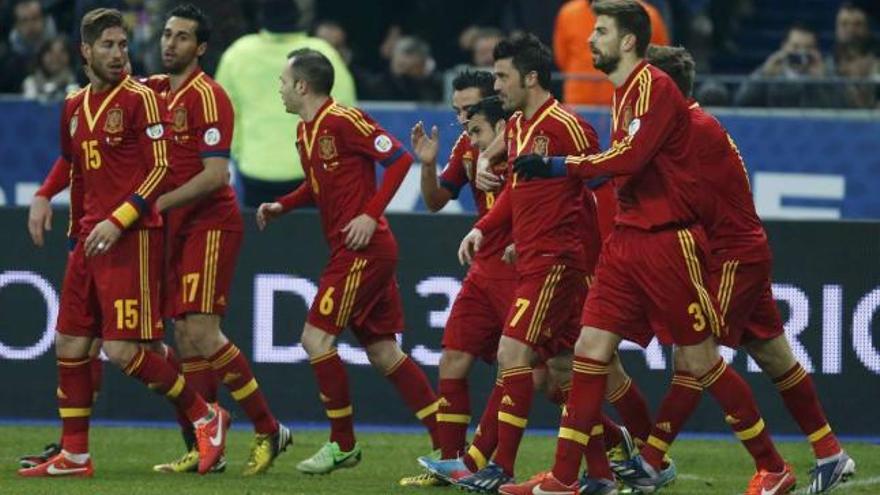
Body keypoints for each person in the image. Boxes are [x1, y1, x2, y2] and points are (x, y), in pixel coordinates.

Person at [502, 2, 794, 494]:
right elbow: (618, 163)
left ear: (629, 41)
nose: (590, 40)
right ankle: (563, 479)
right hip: (628, 241)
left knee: (700, 361)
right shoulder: (624, 94)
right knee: (589, 353)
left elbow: (630, 158)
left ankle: (772, 465)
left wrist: (558, 165)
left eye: (601, 32)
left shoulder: (655, 87)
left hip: (665, 243)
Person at [626, 43, 856, 495]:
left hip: (730, 255)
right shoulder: (689, 124)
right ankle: (831, 452)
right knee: (774, 356)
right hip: (739, 251)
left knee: (694, 355)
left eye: (645, 84)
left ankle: (654, 461)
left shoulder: (688, 129)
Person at [18, 8, 228, 478]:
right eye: (109, 46)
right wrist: (43, 195)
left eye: (123, 45)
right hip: (88, 237)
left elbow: (158, 170)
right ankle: (75, 455)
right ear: (86, 52)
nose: (119, 55)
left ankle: (205, 416)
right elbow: (71, 162)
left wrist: (120, 219)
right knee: (71, 343)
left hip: (131, 236)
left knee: (123, 350)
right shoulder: (73, 106)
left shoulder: (141, 99)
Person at [428, 33, 604, 492]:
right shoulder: (521, 125)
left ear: (530, 77)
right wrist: (483, 228)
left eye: (503, 76)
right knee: (563, 370)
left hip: (556, 260)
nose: (496, 84)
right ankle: (605, 468)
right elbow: (517, 193)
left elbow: (597, 172)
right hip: (531, 257)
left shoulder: (565, 124)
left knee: (515, 355)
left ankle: (499, 466)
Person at [257, 48, 441, 475]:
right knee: (382, 352)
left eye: (284, 82)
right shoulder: (305, 133)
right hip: (351, 249)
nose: (280, 90)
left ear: (302, 85)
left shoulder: (344, 119)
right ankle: (447, 446)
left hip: (365, 249)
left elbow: (397, 160)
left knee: (315, 339)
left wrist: (369, 214)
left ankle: (342, 443)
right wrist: (283, 205)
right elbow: (318, 186)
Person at [141, 4, 291, 475]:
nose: (170, 43)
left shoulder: (210, 97)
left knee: (203, 330)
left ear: (200, 48)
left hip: (209, 222)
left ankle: (269, 428)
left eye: (182, 37)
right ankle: (206, 444)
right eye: (167, 34)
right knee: (184, 337)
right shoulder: (155, 91)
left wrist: (158, 204)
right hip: (174, 228)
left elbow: (215, 174)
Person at [398, 71, 513, 488]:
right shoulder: (469, 145)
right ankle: (450, 463)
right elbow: (433, 201)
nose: (462, 119)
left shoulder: (520, 143)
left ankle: (617, 442)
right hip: (484, 268)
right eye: (457, 111)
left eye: (469, 110)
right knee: (453, 358)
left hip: (522, 267)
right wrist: (426, 165)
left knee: (545, 376)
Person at [215, 0, 356, 207]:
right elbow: (345, 112)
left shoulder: (237, 54)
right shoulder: (322, 53)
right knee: (309, 237)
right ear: (298, 17)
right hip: (311, 170)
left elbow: (222, 113)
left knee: (263, 237)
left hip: (256, 168)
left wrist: (240, 152)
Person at [554, 0, 669, 105]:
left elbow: (658, 60)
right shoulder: (569, 13)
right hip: (578, 103)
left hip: (630, 104)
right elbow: (562, 58)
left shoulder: (646, 15)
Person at [733, 23, 845, 108]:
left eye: (808, 47)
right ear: (784, 46)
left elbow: (839, 108)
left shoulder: (825, 74)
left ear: (816, 50)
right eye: (795, 47)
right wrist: (764, 75)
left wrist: (822, 81)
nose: (801, 53)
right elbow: (741, 101)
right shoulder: (770, 72)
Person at [1, 0, 57, 93]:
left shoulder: (62, 53)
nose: (30, 25)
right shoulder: (7, 63)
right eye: (24, 21)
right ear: (17, 26)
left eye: (35, 18)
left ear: (44, 19)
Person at [22, 35, 79, 101]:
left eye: (62, 52)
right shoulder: (31, 83)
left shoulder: (77, 82)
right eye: (50, 51)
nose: (56, 57)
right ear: (41, 56)